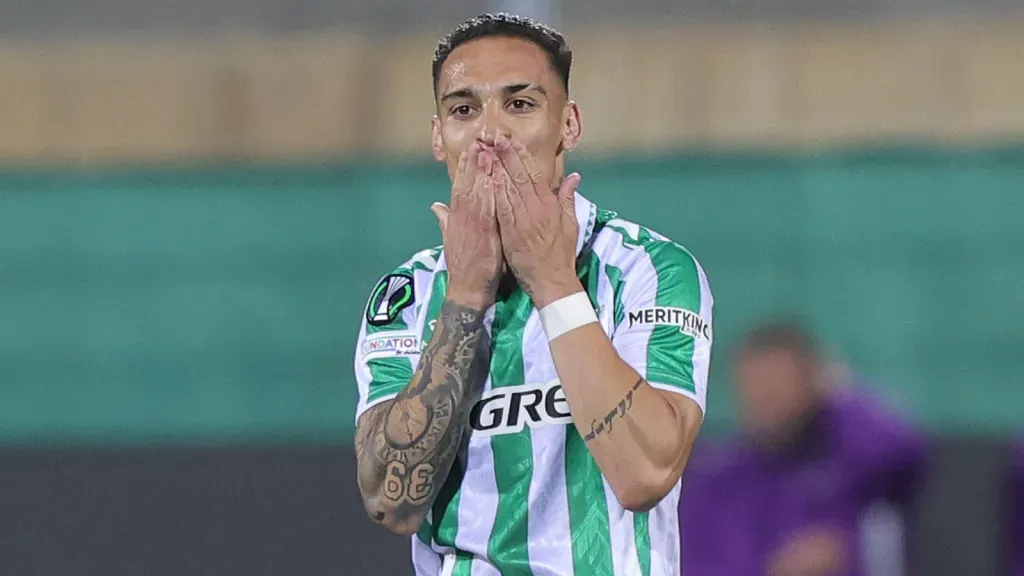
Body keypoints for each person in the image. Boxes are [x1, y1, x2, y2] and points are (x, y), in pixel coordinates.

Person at [351, 13, 714, 575]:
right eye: (464, 110)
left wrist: (553, 284)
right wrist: (466, 298)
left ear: (568, 124)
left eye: (519, 104)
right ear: (437, 137)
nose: (490, 134)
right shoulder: (409, 295)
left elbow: (644, 475)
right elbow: (391, 501)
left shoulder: (648, 268)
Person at [680, 322, 927, 576]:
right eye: (755, 382)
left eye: (779, 380)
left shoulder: (846, 461)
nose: (767, 395)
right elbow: (696, 564)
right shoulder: (718, 479)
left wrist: (842, 395)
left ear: (811, 381)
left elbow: (903, 453)